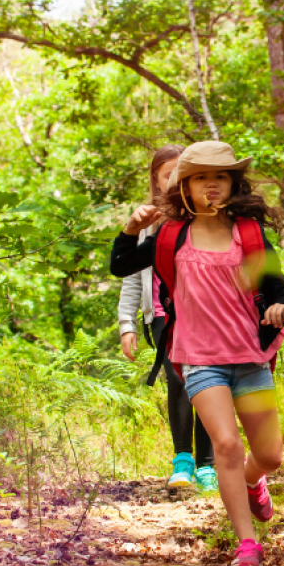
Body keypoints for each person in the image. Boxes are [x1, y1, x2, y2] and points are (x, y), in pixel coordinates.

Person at [110, 141, 284, 566]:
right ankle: (247, 544)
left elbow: (281, 289)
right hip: (199, 360)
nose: (210, 186)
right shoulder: (170, 236)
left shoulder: (248, 233)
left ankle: (255, 481)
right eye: (200, 178)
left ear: (233, 183)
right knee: (227, 446)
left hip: (249, 358)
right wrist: (129, 228)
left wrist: (283, 307)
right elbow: (121, 266)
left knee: (270, 456)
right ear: (185, 187)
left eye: (219, 177)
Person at [117, 145, 216, 492]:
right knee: (179, 379)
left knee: (207, 382)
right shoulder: (147, 219)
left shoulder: (203, 213)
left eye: (181, 173)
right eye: (167, 174)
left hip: (204, 313)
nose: (175, 179)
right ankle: (183, 461)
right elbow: (130, 274)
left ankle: (207, 465)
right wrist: (127, 324)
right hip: (162, 314)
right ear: (156, 181)